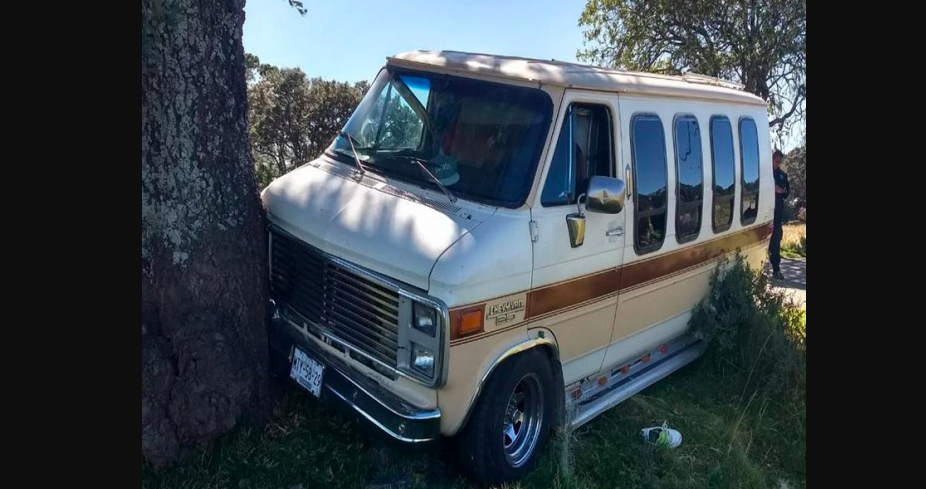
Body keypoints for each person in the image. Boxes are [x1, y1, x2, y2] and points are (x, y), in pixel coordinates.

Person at [769, 149, 790, 280]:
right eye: (775, 161)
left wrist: (780, 190)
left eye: (779, 162)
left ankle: (776, 270)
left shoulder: (782, 175)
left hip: (777, 213)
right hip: (763, 212)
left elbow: (787, 191)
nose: (777, 164)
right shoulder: (764, 173)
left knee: (776, 241)